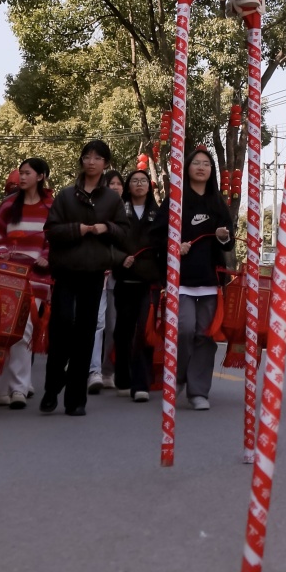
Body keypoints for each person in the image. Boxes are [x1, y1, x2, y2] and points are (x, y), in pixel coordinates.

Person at [42, 140, 130, 415]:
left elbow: (125, 233)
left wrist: (107, 227)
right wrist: (77, 229)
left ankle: (76, 398)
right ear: (82, 161)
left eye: (98, 157)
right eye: (87, 156)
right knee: (61, 327)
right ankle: (52, 386)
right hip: (66, 270)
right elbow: (51, 230)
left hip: (94, 273)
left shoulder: (113, 200)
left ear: (106, 163)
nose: (91, 161)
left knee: (85, 334)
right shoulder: (66, 196)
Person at [154, 145, 234, 410]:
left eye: (207, 164)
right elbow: (157, 233)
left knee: (205, 335)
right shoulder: (175, 200)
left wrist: (224, 237)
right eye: (196, 163)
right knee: (184, 329)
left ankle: (198, 391)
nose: (201, 167)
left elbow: (227, 243)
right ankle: (176, 378)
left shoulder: (217, 202)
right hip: (181, 280)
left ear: (211, 172)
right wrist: (174, 245)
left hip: (210, 280)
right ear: (187, 168)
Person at [0, 157, 54, 409]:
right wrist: (1, 254)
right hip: (5, 276)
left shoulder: (51, 207)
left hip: (35, 279)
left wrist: (46, 258)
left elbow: (55, 240)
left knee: (24, 331)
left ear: (41, 176)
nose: (22, 177)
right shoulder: (8, 205)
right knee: (1, 330)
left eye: (27, 173)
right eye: (21, 173)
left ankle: (19, 389)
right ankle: (0, 386)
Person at [113, 168, 164, 400]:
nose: (139, 184)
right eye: (134, 181)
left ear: (149, 186)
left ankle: (141, 384)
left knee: (145, 330)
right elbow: (109, 241)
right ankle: (122, 376)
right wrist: (119, 258)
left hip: (149, 282)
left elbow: (166, 243)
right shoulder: (118, 212)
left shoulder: (159, 212)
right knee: (123, 331)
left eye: (143, 180)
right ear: (128, 185)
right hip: (124, 279)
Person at [89, 169, 124, 393]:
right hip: (95, 272)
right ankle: (93, 371)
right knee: (97, 323)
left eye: (119, 183)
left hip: (120, 276)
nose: (116, 187)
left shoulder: (128, 212)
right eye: (111, 184)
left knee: (113, 325)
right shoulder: (95, 209)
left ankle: (108, 369)